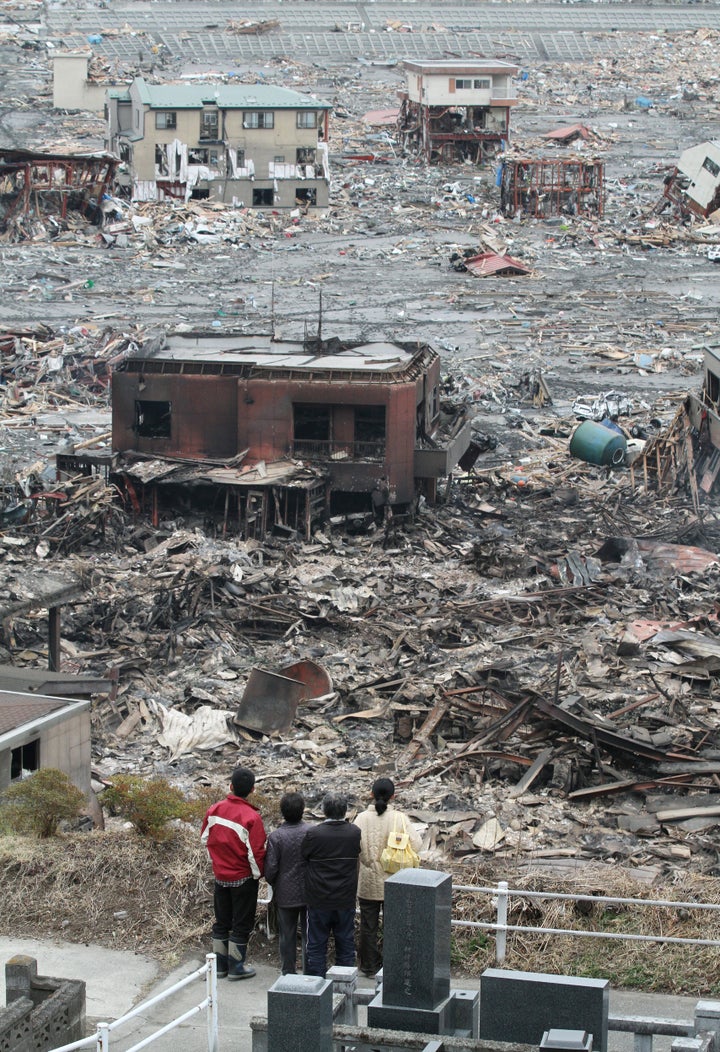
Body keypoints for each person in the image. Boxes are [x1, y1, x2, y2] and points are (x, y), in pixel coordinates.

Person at [201, 766, 266, 980]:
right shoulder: (252, 818)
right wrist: (258, 875)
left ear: (230, 786)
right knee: (241, 923)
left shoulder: (214, 810)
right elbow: (256, 853)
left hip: (221, 876)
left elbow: (205, 839)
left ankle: (219, 966)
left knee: (221, 922)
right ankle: (236, 966)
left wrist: (217, 862)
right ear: (252, 790)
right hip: (243, 879)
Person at [353, 777, 422, 977]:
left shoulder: (361, 818)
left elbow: (353, 844)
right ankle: (393, 966)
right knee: (394, 925)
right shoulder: (400, 818)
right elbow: (416, 845)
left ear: (372, 795)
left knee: (368, 926)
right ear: (393, 796)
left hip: (367, 881)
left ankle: (369, 966)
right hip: (395, 880)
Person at [301, 792, 361, 977]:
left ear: (324, 811)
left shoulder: (314, 834)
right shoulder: (354, 832)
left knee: (317, 944)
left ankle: (317, 986)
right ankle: (344, 985)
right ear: (345, 811)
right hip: (345, 897)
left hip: (319, 898)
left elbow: (304, 856)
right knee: (345, 943)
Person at [264, 790, 308, 975]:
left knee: (287, 934)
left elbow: (271, 869)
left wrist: (273, 881)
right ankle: (310, 970)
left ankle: (288, 971)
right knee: (309, 935)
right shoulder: (311, 832)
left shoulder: (276, 837)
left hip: (285, 892)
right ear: (303, 810)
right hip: (309, 891)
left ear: (283, 812)